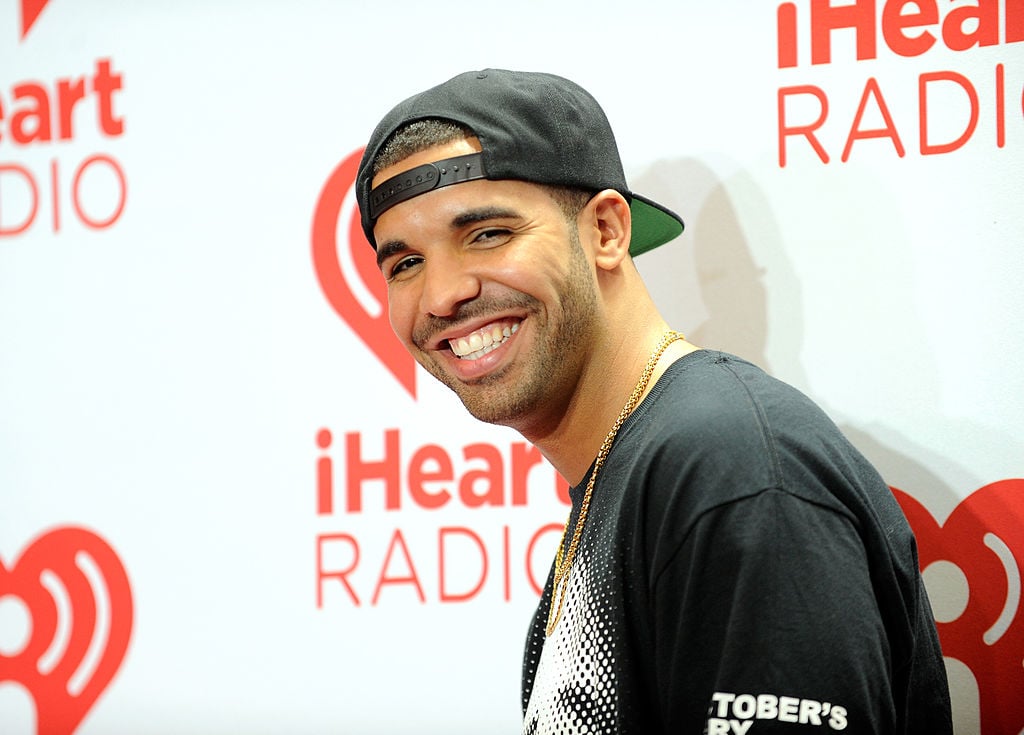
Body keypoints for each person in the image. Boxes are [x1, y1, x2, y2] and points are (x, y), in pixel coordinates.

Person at [354, 69, 952, 734]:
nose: (440, 294)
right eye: (404, 263)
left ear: (608, 230)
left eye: (488, 233)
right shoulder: (634, 473)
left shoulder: (729, 463)